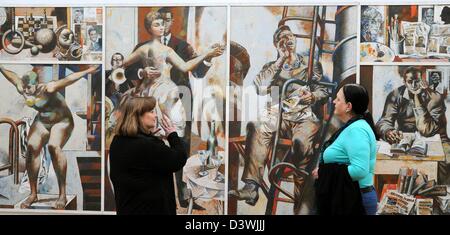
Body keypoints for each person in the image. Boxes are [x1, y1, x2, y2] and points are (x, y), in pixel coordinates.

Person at [116, 11, 223, 210]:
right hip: (149, 92)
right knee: (149, 134)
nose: (162, 26)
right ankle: (152, 185)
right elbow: (123, 66)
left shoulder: (177, 46)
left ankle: (181, 195)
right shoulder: (142, 48)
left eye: (163, 23)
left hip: (173, 92)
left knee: (176, 133)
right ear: (150, 28)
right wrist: (142, 72)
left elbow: (189, 68)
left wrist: (207, 55)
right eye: (157, 23)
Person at [228, 25, 328, 214]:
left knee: (300, 143)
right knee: (256, 126)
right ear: (277, 45)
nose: (288, 41)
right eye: (282, 39)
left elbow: (323, 89)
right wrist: (281, 59)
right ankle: (251, 187)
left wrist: (313, 96)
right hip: (279, 115)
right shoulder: (271, 67)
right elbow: (259, 87)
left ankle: (302, 199)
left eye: (290, 37)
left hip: (304, 116)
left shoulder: (309, 64)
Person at [0, 64, 99, 209]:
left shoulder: (48, 88)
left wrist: (89, 70)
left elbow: (69, 79)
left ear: (36, 85)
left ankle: (62, 194)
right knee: (32, 146)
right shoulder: (22, 87)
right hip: (43, 121)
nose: (27, 91)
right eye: (25, 88)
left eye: (30, 88)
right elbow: (11, 75)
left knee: (53, 146)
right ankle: (33, 194)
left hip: (62, 121)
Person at [109, 97, 187, 214]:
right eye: (151, 111)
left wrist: (150, 138)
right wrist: (172, 134)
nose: (155, 116)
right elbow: (178, 160)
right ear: (137, 116)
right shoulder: (147, 145)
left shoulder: (118, 141)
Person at [314, 84, 379, 215]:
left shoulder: (357, 130)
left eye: (338, 99)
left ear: (348, 106)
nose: (334, 102)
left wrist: (325, 172)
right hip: (348, 198)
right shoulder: (354, 127)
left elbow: (360, 170)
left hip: (354, 201)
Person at [376, 67, 448, 144]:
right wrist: (388, 131)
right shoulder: (395, 95)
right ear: (404, 82)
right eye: (410, 82)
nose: (413, 85)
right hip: (405, 140)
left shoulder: (435, 97)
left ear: (422, 81)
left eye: (417, 81)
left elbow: (426, 130)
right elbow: (384, 121)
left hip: (435, 139)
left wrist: (417, 98)